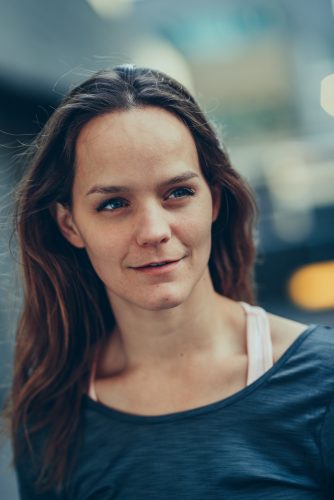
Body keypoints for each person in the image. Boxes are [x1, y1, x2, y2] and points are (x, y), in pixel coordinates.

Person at [3, 64, 334, 499]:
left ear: (213, 200)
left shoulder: (321, 382)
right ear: (70, 225)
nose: (154, 230)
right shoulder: (52, 416)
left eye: (177, 193)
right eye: (114, 203)